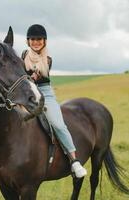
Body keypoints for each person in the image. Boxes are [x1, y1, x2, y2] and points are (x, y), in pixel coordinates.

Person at [21, 24, 87, 178]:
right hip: (26, 93)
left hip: (44, 94)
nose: (36, 42)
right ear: (28, 41)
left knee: (58, 124)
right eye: (32, 39)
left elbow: (36, 75)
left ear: (44, 41)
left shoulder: (47, 59)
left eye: (39, 39)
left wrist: (30, 78)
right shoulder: (24, 55)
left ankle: (74, 160)